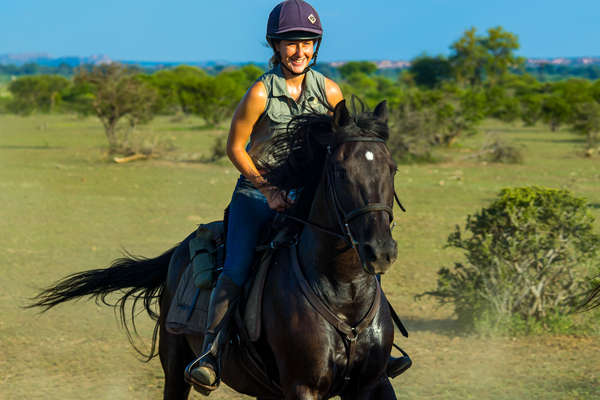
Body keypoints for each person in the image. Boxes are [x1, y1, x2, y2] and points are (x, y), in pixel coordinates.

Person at [185, 0, 409, 394]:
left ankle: (378, 348)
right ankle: (211, 352)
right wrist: (267, 189)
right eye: (290, 43)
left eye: (306, 43)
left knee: (355, 255)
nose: (299, 51)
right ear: (275, 45)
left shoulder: (330, 89)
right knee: (236, 267)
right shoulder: (259, 92)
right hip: (257, 196)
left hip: (305, 195)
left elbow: (342, 143)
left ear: (316, 46)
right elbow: (235, 148)